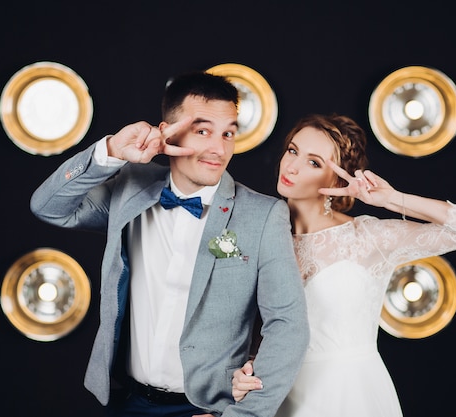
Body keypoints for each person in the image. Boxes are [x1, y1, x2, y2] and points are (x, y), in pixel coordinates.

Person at [30, 71, 309, 417]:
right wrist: (113, 150)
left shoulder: (263, 215)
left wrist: (244, 416)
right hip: (125, 402)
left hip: (206, 408)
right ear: (168, 131)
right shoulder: (131, 188)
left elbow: (289, 325)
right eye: (202, 131)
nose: (219, 148)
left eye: (228, 133)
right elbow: (48, 207)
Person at [230, 112, 456, 416]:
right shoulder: (261, 238)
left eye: (313, 162)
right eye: (293, 150)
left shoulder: (366, 236)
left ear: (339, 178)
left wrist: (391, 199)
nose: (292, 166)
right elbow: (262, 332)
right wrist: (245, 370)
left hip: (353, 391)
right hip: (279, 394)